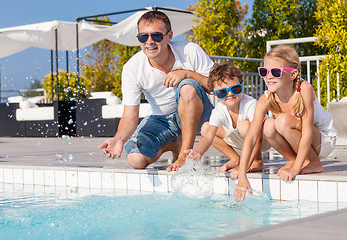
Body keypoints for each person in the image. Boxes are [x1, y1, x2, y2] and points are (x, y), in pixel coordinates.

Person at [98, 10, 214, 171]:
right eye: (143, 37)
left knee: (187, 87)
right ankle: (174, 143)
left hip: (200, 113)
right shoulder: (132, 68)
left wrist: (187, 74)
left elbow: (217, 87)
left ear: (169, 36)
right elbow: (130, 114)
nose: (149, 42)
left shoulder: (190, 51)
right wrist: (119, 138)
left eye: (157, 36)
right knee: (136, 160)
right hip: (162, 120)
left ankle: (183, 155)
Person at [233, 45, 337, 202]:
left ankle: (314, 162)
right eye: (264, 71)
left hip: (323, 140)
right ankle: (293, 159)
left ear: (293, 74)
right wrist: (242, 175)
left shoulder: (303, 89)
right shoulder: (266, 98)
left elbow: (308, 131)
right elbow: (251, 137)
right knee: (268, 125)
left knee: (281, 121)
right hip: (303, 142)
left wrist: (296, 170)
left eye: (275, 72)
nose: (268, 76)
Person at [185, 62, 269, 177]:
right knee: (206, 128)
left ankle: (257, 161)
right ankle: (235, 158)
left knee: (244, 126)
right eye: (222, 92)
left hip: (263, 139)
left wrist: (243, 168)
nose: (229, 94)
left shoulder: (250, 104)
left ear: (241, 85)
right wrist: (198, 152)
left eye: (235, 89)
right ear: (215, 95)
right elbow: (209, 137)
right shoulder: (219, 110)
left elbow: (257, 138)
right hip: (243, 140)